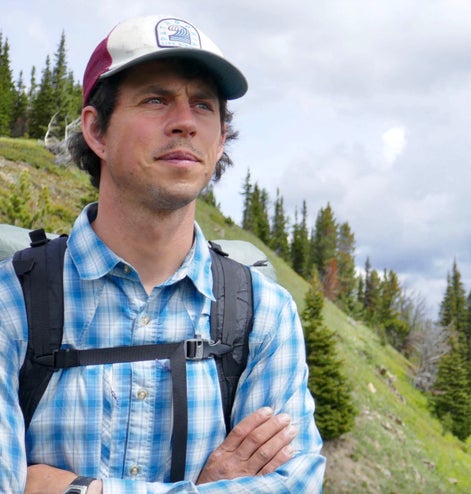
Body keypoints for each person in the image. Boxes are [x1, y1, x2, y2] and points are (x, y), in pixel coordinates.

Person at [0, 15, 325, 493]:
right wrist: (207, 486)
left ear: (219, 143)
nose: (185, 123)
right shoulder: (12, 300)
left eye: (203, 106)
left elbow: (294, 485)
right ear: (97, 131)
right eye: (156, 99)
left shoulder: (264, 314)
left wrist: (76, 489)